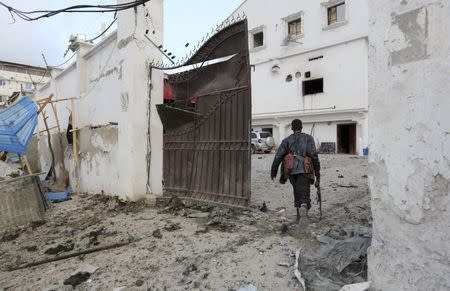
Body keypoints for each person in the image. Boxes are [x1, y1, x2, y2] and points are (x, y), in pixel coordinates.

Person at [270, 119, 320, 222]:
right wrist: (317, 174)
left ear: (292, 128)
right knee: (304, 194)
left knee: (297, 192)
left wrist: (273, 171)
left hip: (291, 171)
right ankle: (304, 209)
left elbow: (278, 156)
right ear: (301, 127)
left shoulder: (286, 140)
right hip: (305, 170)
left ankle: (299, 217)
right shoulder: (309, 138)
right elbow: (314, 156)